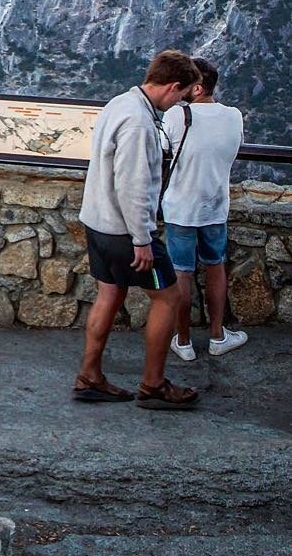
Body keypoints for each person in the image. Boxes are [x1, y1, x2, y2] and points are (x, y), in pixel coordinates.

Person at [75, 49, 201, 410]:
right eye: (181, 95)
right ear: (173, 86)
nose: (178, 103)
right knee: (169, 298)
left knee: (109, 294)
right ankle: (154, 384)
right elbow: (133, 185)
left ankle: (89, 377)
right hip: (125, 232)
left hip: (97, 223)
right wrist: (142, 239)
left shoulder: (120, 102)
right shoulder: (139, 123)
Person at [162, 57, 248, 361]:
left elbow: (161, 150)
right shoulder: (234, 116)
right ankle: (217, 336)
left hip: (180, 208)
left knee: (182, 274)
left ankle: (182, 341)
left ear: (197, 88)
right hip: (215, 206)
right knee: (215, 267)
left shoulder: (176, 116)